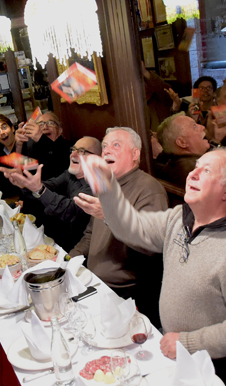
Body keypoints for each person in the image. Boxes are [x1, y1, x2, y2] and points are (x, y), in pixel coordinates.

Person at [84, 147, 226, 384]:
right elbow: (130, 227)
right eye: (195, 166)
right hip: (178, 354)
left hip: (221, 370)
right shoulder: (179, 218)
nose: (192, 174)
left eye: (206, 170)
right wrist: (107, 187)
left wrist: (188, 343)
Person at [69, 127, 168, 326]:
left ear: (135, 154)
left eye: (116, 145)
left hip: (127, 295)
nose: (106, 151)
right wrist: (67, 261)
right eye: (104, 146)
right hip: (93, 283)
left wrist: (109, 216)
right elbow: (90, 233)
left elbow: (151, 246)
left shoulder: (150, 190)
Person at [0, 136, 102, 251]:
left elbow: (70, 211)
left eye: (81, 152)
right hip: (60, 239)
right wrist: (25, 184)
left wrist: (39, 190)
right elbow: (49, 186)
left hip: (83, 249)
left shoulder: (97, 183)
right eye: (73, 150)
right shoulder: (70, 175)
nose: (73, 154)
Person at [154, 113, 213, 186]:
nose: (202, 127)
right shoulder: (195, 171)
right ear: (182, 142)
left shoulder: (173, 166)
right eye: (194, 126)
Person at [15, 112, 70, 181]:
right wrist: (19, 146)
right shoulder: (34, 150)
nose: (45, 127)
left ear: (59, 130)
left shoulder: (68, 147)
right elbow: (20, 177)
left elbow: (59, 167)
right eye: (40, 125)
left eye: (50, 123)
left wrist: (41, 139)